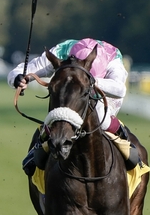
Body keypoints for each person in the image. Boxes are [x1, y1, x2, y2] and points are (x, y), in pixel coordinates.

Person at [8, 38, 135, 174]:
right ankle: (41, 142)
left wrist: (90, 82)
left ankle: (121, 134)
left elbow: (120, 90)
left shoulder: (112, 59)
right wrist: (18, 79)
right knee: (58, 112)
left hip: (100, 92)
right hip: (70, 89)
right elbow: (19, 71)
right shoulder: (61, 52)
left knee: (100, 118)